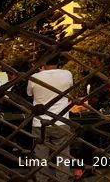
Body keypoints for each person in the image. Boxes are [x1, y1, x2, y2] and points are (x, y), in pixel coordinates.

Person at [27, 53, 74, 181]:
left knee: (40, 156)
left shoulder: (34, 77)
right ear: (58, 61)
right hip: (61, 121)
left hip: (40, 122)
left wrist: (40, 72)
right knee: (63, 155)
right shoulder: (67, 74)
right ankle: (62, 179)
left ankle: (41, 179)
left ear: (43, 62)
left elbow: (29, 93)